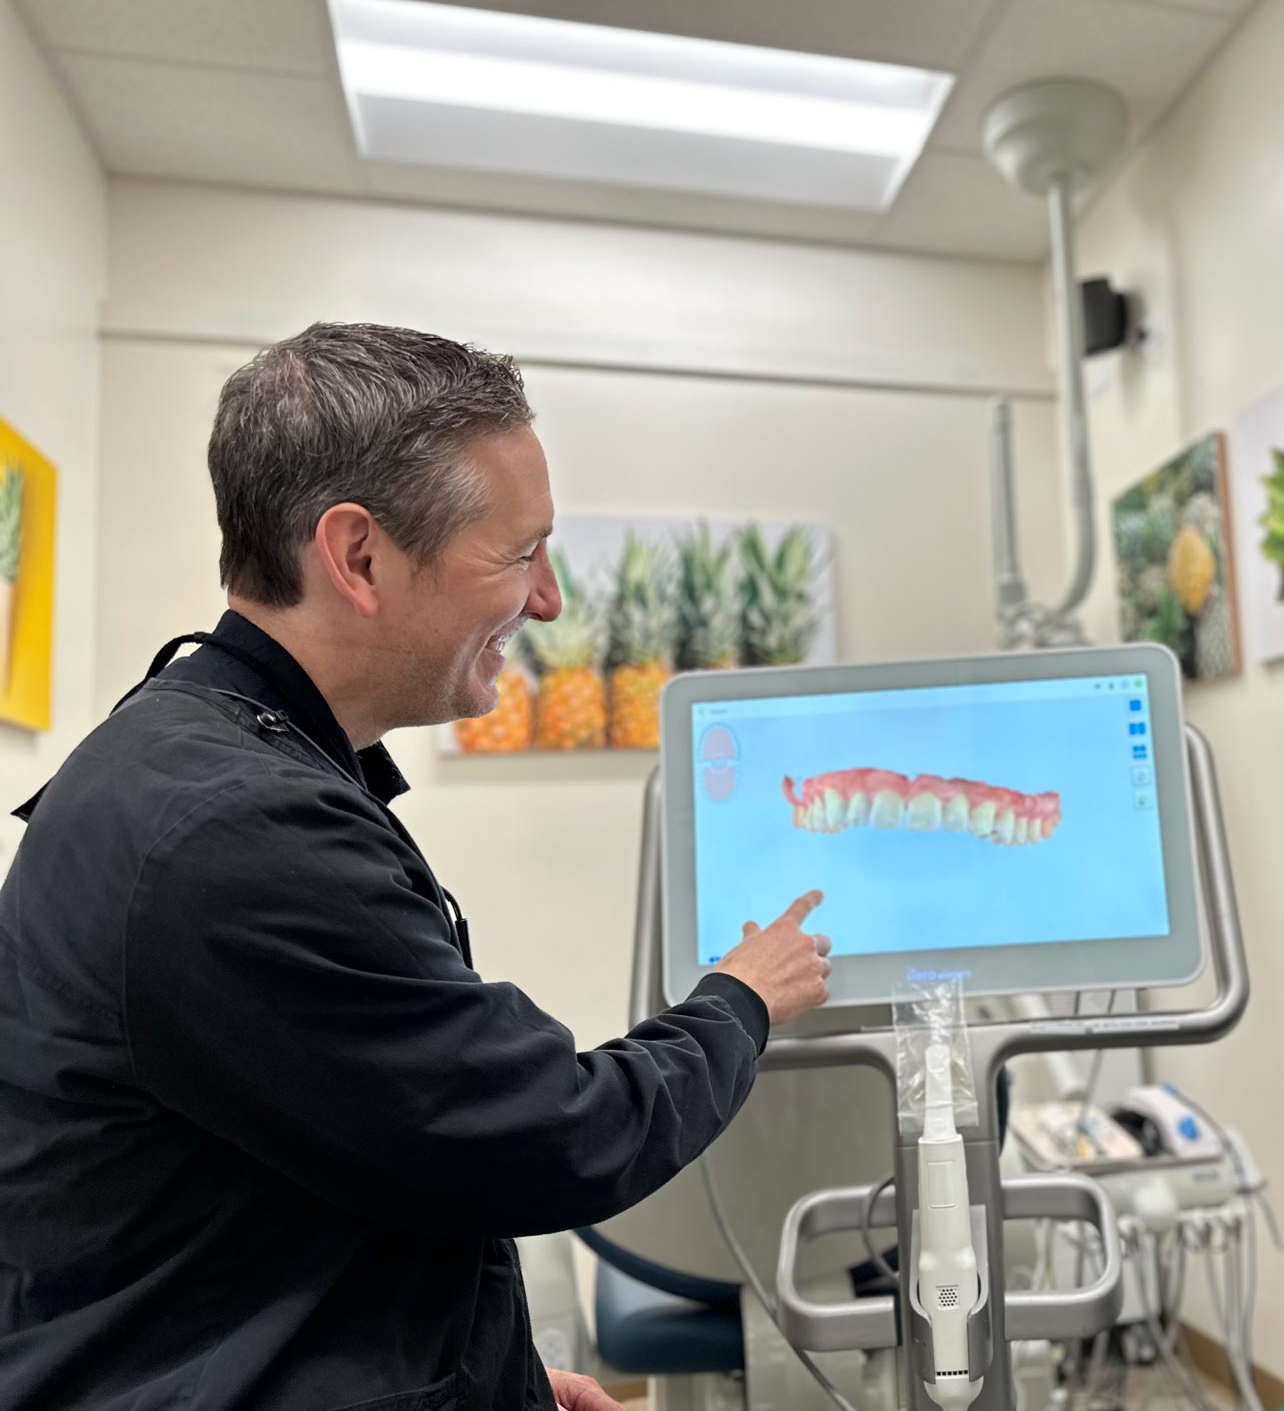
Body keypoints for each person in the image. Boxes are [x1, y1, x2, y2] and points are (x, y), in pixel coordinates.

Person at [0, 323, 832, 1411]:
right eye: (519, 553)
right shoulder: (236, 835)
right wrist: (741, 1000)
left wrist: (496, 1382)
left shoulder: (200, 755)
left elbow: (338, 1146)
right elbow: (551, 1138)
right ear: (358, 558)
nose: (548, 602)